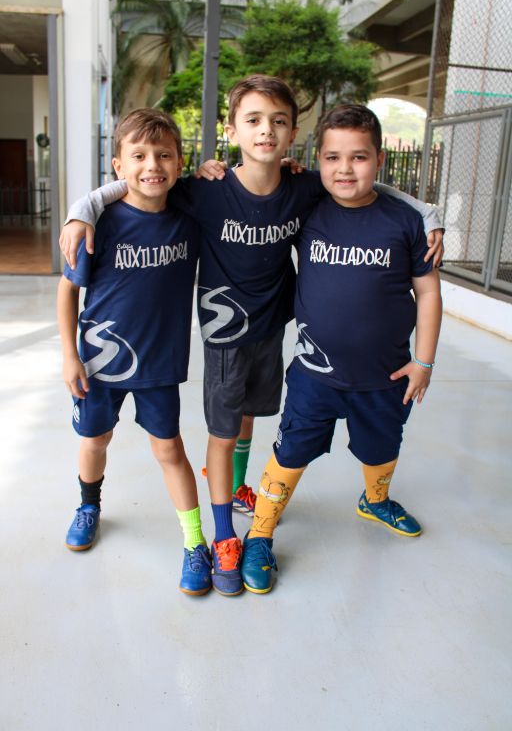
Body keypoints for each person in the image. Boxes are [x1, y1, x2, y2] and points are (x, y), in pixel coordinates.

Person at [59, 76, 444, 597]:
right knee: (210, 435)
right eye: (254, 120)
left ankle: (245, 489)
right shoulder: (204, 190)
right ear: (231, 130)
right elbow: (136, 183)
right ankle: (222, 536)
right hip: (222, 337)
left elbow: (366, 184)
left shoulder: (305, 188)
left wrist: (429, 214)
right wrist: (82, 209)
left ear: (293, 134)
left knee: (247, 418)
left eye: (278, 121)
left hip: (272, 329)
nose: (266, 130)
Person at [240, 104, 443, 594]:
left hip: (386, 375)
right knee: (291, 451)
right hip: (315, 374)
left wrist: (423, 361)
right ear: (318, 160)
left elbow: (428, 292)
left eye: (359, 157)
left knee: (382, 447)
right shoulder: (307, 208)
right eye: (332, 158)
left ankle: (375, 501)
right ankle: (260, 532)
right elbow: (255, 185)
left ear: (380, 159)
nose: (345, 169)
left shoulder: (405, 221)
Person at [57, 108, 212, 597]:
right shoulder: (98, 222)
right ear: (118, 165)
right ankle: (88, 505)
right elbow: (67, 290)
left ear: (179, 162)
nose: (152, 165)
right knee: (95, 439)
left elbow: (236, 191)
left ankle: (194, 542)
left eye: (164, 155)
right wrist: (69, 355)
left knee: (169, 449)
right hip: (99, 362)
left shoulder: (190, 218)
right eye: (139, 156)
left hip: (159, 364)